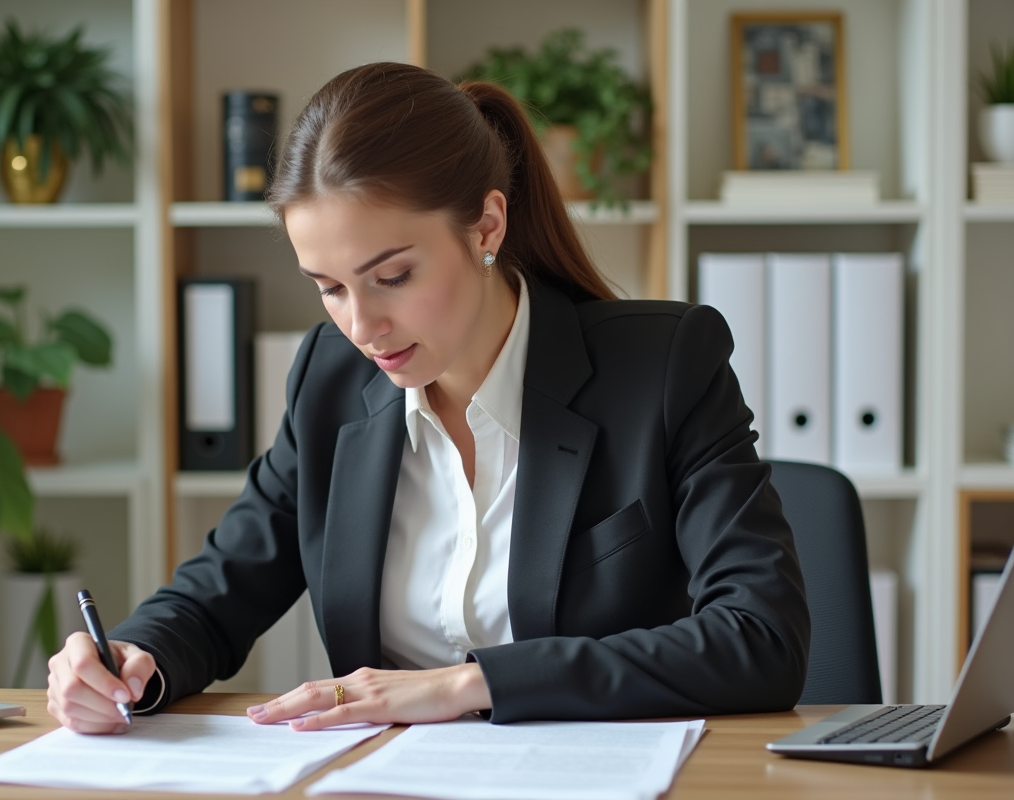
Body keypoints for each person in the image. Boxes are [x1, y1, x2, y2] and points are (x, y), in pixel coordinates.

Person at [46, 62, 810, 734]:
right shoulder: (330, 380)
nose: (362, 326)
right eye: (329, 289)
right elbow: (219, 593)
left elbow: (760, 637)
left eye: (392, 276)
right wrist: (130, 658)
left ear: (486, 225)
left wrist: (466, 685)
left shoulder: (664, 365)